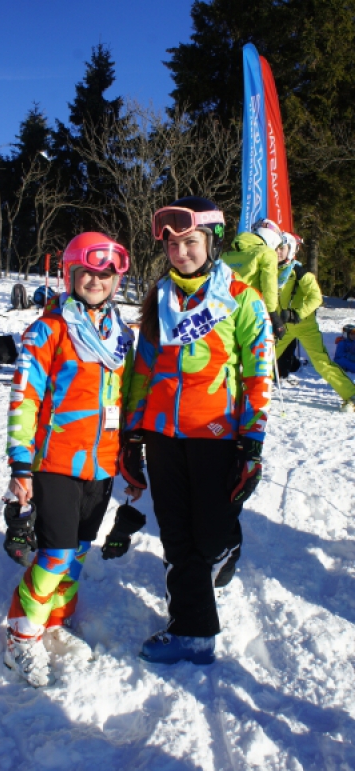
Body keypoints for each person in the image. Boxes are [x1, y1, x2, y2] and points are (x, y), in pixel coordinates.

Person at [121, 196, 273, 665]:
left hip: (216, 432)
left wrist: (252, 440)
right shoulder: (160, 297)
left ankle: (226, 542)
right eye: (172, 245)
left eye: (190, 242)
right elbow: (143, 369)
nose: (180, 252)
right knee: (176, 534)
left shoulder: (241, 297)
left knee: (208, 535)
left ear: (212, 242)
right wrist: (133, 432)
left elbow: (258, 372)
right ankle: (193, 631)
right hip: (162, 435)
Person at [4, 231, 140, 687]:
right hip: (56, 463)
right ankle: (21, 635)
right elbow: (24, 398)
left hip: (101, 466)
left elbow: (127, 401)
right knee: (56, 554)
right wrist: (20, 464)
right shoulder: (49, 329)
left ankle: (55, 621)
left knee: (79, 552)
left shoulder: (121, 336)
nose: (97, 281)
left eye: (107, 274)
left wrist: (130, 458)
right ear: (70, 274)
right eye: (87, 272)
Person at [275, 232, 355, 411]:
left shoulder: (299, 272)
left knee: (321, 362)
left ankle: (351, 394)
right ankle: (246, 391)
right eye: (275, 248)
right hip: (283, 326)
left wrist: (296, 314)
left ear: (291, 250)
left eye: (282, 248)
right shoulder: (272, 270)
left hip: (304, 325)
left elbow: (316, 298)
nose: (278, 252)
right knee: (264, 357)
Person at [222, 218, 286, 341]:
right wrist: (273, 314)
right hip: (250, 311)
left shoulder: (227, 255)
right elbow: (269, 285)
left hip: (224, 310)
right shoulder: (267, 253)